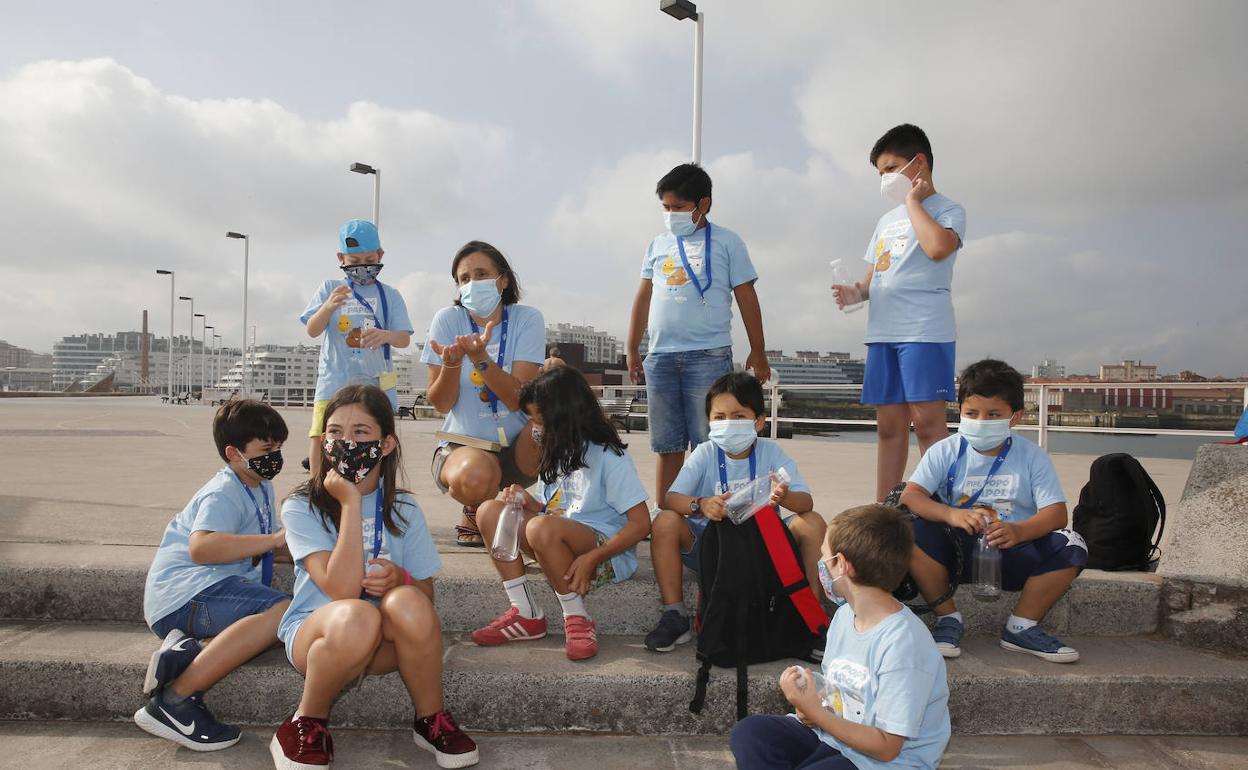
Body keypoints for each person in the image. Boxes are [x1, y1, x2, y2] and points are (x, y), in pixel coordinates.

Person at [272, 384, 478, 769]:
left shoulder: (404, 508)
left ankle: (431, 719)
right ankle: (305, 722)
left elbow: (425, 596)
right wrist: (350, 502)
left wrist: (399, 578)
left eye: (360, 433)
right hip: (318, 638)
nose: (345, 442)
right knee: (356, 613)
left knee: (407, 601)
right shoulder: (302, 506)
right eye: (334, 432)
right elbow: (341, 590)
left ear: (385, 444)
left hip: (382, 644)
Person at [730, 504, 950, 770]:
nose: (820, 564)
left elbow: (887, 747)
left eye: (824, 556)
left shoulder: (904, 643)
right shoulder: (845, 616)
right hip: (836, 740)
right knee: (751, 733)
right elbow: (835, 695)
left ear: (842, 565)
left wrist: (815, 713)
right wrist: (810, 704)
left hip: (883, 763)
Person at [901, 359, 1088, 663]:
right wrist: (951, 514)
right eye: (971, 413)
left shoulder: (1032, 456)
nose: (981, 421)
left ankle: (1021, 626)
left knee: (1072, 543)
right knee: (906, 530)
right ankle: (948, 618)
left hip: (1011, 552)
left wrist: (1019, 531)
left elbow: (1056, 514)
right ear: (959, 411)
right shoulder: (945, 450)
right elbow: (912, 496)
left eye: (993, 414)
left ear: (1015, 417)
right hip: (955, 552)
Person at [135, 400, 291, 751]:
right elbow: (202, 548)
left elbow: (272, 546)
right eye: (267, 449)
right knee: (280, 611)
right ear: (234, 453)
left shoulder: (258, 483)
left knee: (287, 614)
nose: (276, 456)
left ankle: (184, 650)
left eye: (279, 447)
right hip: (187, 593)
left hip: (198, 594)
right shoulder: (223, 492)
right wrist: (275, 540)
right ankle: (175, 701)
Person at [471, 366, 650, 661]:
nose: (535, 428)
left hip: (604, 553)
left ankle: (576, 617)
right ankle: (525, 612)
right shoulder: (559, 450)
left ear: (564, 416)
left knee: (541, 528)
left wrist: (593, 556)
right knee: (489, 510)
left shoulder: (609, 456)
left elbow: (641, 524)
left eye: (539, 420)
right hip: (556, 538)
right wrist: (526, 501)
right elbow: (548, 507)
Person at [644, 371, 827, 654]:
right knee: (665, 520)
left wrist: (785, 496)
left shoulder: (771, 452)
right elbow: (671, 499)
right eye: (720, 417)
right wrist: (701, 504)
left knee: (812, 523)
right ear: (709, 422)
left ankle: (812, 617)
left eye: (739, 416)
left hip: (765, 550)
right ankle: (675, 614)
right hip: (711, 549)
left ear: (759, 421)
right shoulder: (705, 453)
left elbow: (807, 503)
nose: (728, 423)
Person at [831, 125, 967, 502]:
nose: (885, 179)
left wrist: (913, 204)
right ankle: (883, 509)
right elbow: (873, 278)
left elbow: (939, 248)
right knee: (889, 427)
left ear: (918, 163)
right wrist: (854, 291)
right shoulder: (884, 222)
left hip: (925, 331)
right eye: (880, 173)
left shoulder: (948, 209)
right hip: (882, 334)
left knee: (927, 424)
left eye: (891, 169)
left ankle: (938, 507)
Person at [627, 163, 770, 506]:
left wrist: (758, 349)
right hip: (660, 357)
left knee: (710, 442)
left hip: (707, 355)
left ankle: (712, 512)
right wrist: (633, 348)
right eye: (666, 207)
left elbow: (746, 295)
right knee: (667, 443)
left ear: (703, 204)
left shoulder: (727, 242)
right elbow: (643, 296)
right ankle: (668, 513)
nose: (671, 214)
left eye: (679, 207)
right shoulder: (657, 244)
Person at [422, 241, 545, 547]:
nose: (473, 283)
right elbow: (440, 403)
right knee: (476, 476)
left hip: (517, 448)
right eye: (464, 278)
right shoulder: (447, 320)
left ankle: (522, 507)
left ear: (502, 280)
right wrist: (451, 365)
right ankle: (478, 507)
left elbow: (519, 398)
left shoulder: (527, 319)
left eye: (481, 274)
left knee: (554, 419)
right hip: (464, 446)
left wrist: (481, 359)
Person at [301, 219, 414, 477]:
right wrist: (328, 307)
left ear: (380, 256)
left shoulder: (390, 295)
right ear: (341, 258)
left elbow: (403, 339)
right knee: (321, 432)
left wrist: (385, 335)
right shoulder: (330, 289)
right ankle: (317, 485)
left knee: (374, 435)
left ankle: (377, 486)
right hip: (334, 380)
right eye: (354, 262)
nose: (362, 267)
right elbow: (312, 330)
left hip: (374, 382)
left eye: (369, 259)